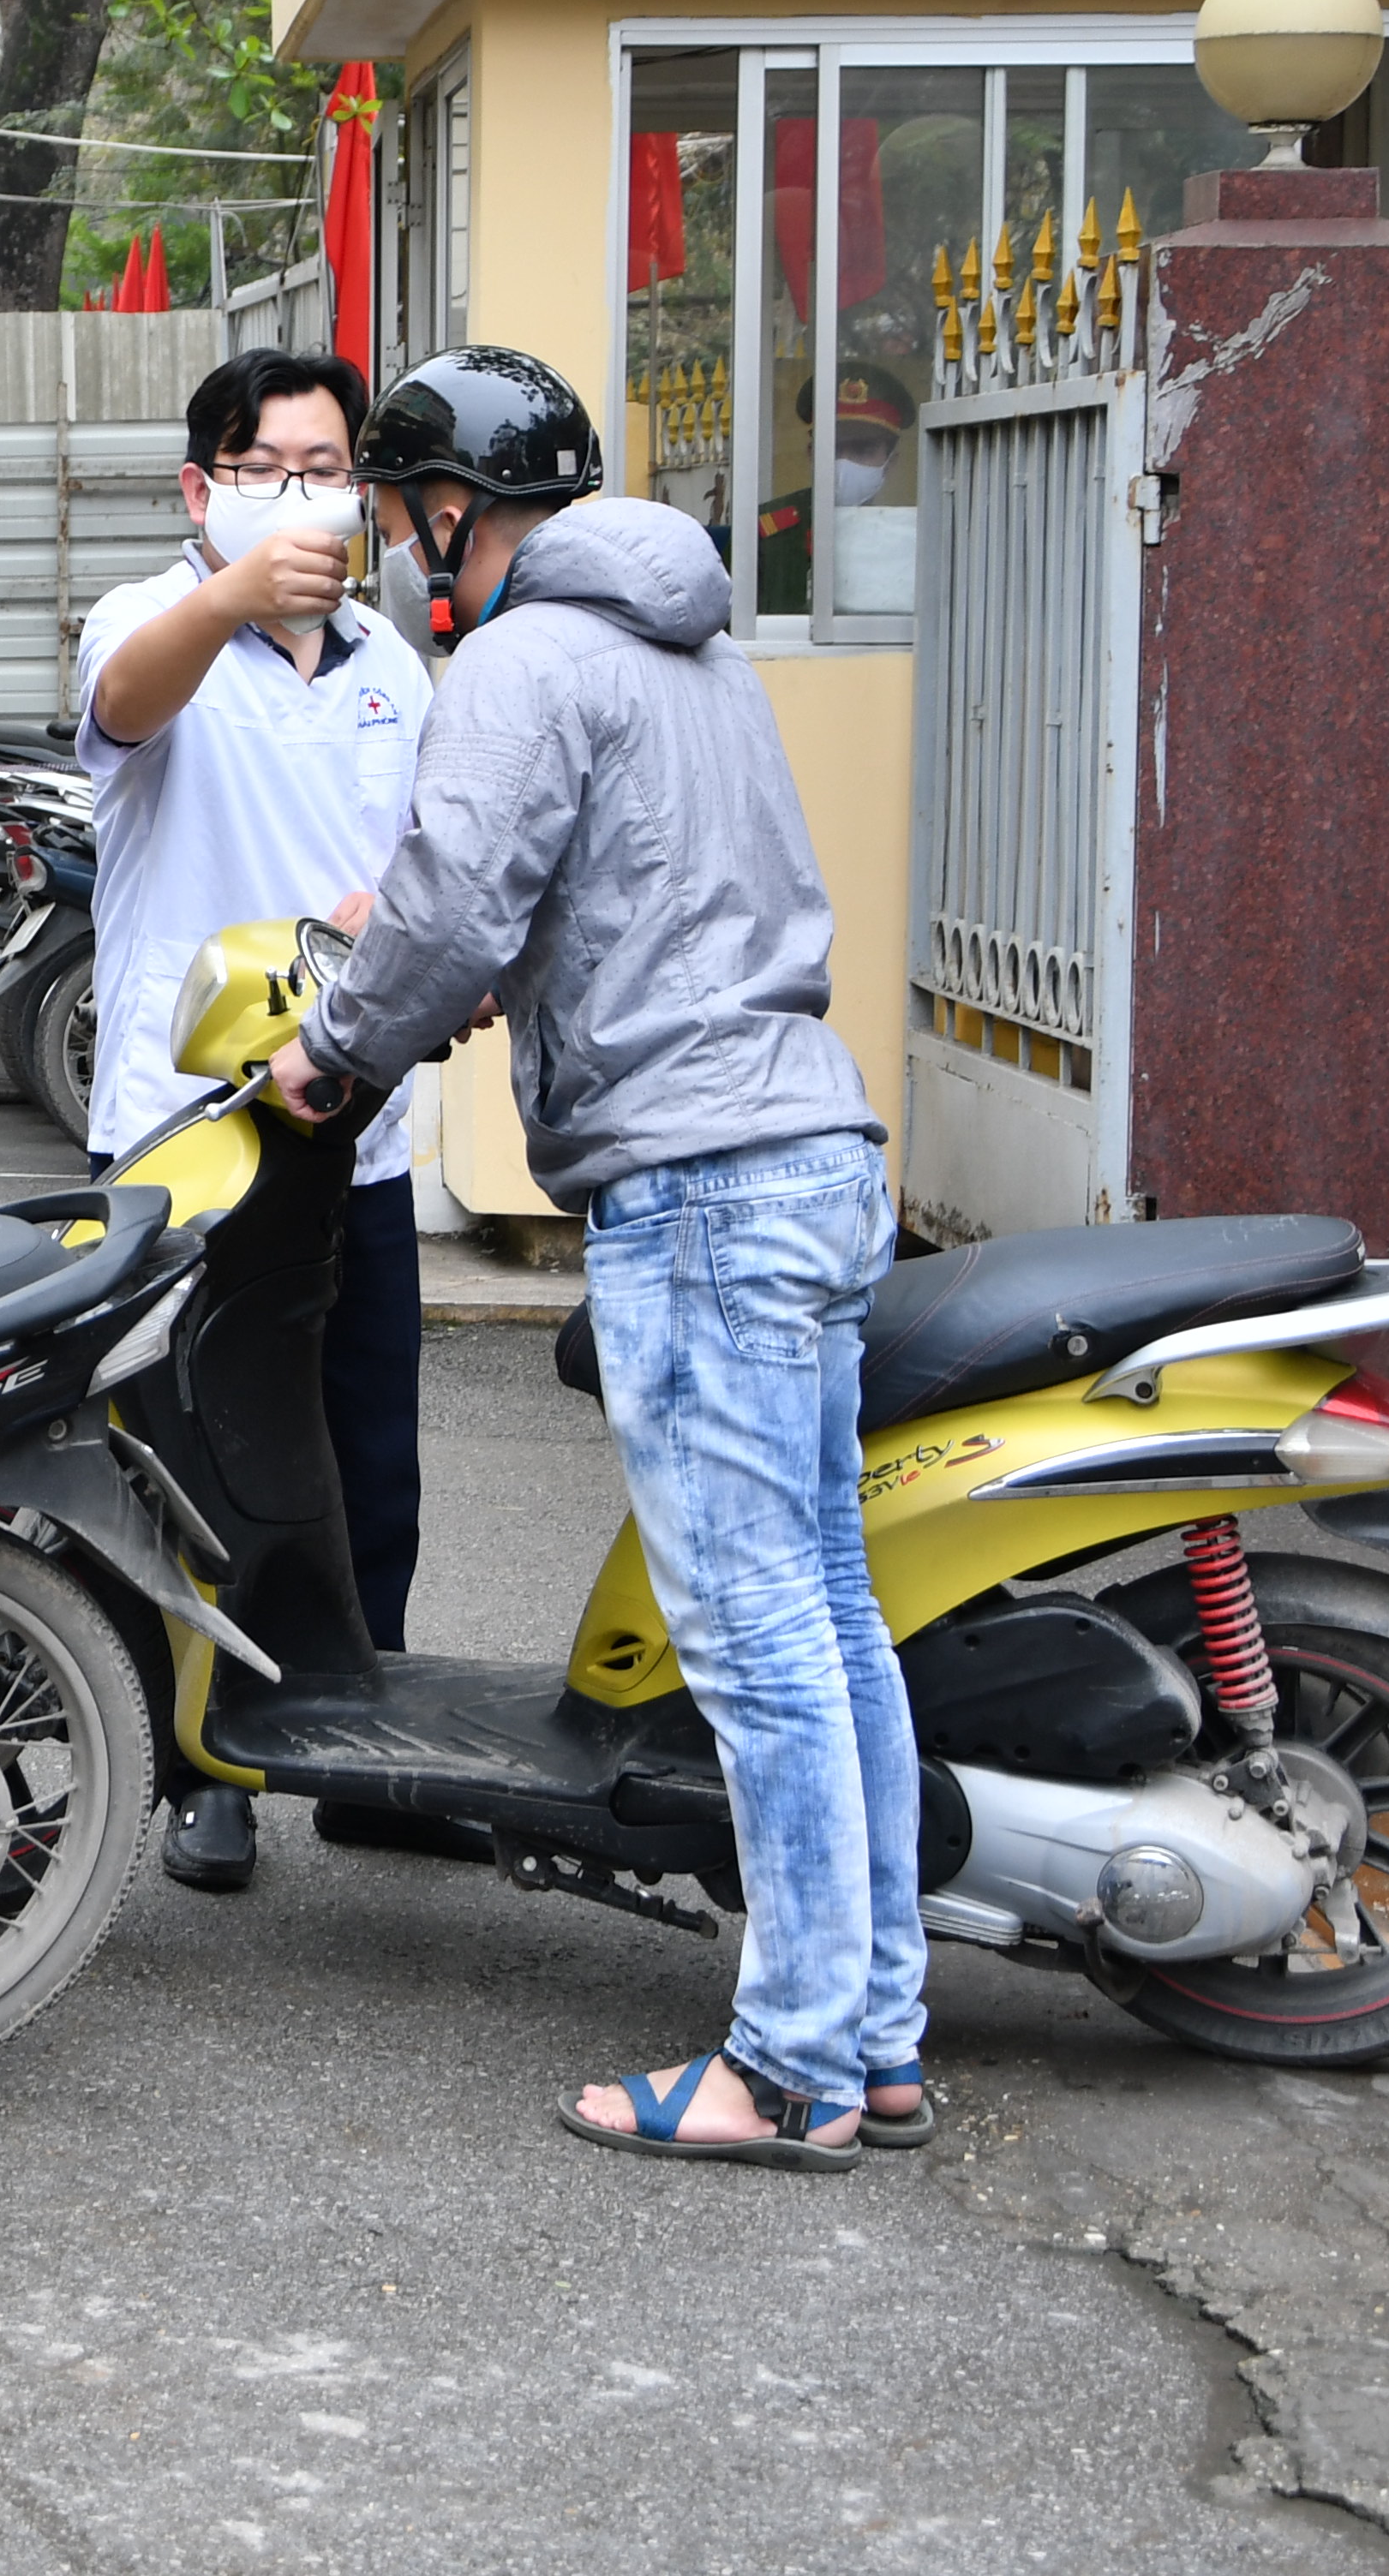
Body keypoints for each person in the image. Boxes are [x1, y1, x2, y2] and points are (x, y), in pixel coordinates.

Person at [280, 346, 921, 2174]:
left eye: (398, 512)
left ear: (450, 510)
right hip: (809, 1150)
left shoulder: (523, 659)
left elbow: (455, 895)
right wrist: (474, 964)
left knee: (759, 1643)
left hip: (701, 1188)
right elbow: (630, 896)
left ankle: (789, 2070)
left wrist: (336, 1046)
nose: (399, 547)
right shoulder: (697, 649)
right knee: (830, 1618)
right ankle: (873, 2036)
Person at [73, 347, 440, 1897]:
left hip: (357, 1125)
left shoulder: (391, 663)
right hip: (190, 1141)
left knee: (367, 1455)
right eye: (266, 470)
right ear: (201, 489)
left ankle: (365, 1742)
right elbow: (122, 704)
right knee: (187, 1454)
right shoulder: (148, 622)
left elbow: (434, 859)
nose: (302, 496)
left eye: (326, 471)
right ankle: (198, 1764)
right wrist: (228, 595)